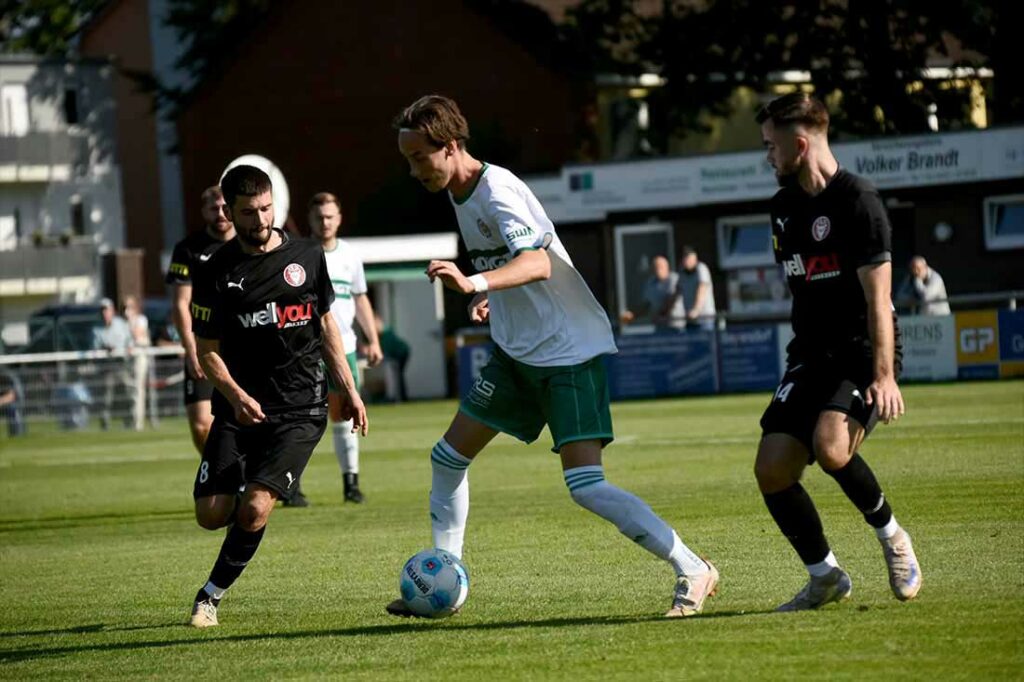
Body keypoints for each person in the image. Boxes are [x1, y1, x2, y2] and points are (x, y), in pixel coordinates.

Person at [386, 94, 717, 619]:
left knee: (585, 486)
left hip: (565, 353)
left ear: (449, 147)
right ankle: (443, 581)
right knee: (447, 458)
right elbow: (515, 263)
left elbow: (537, 262)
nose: (412, 170)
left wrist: (475, 281)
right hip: (518, 353)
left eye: (418, 157)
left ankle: (693, 568)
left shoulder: (495, 191)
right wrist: (496, 294)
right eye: (407, 159)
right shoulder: (458, 189)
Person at [755, 92, 921, 612]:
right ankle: (824, 576)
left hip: (861, 351)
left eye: (771, 147)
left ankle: (893, 537)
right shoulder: (782, 209)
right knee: (772, 470)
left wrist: (883, 376)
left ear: (800, 145)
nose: (768, 158)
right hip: (810, 354)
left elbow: (880, 301)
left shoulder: (859, 203)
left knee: (831, 447)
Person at [186, 165, 367, 628]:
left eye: (266, 208)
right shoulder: (214, 271)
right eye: (249, 211)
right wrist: (235, 394)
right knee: (211, 515)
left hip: (300, 406)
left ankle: (209, 597)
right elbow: (206, 352)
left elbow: (326, 325)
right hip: (238, 406)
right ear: (230, 211)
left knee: (253, 509)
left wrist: (347, 388)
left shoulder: (307, 255)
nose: (261, 219)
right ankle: (246, 495)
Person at [307, 192, 383, 504]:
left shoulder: (350, 255)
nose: (324, 222)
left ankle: (350, 483)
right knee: (302, 418)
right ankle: (290, 485)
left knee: (345, 414)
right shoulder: (300, 254)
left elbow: (360, 296)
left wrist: (372, 338)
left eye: (329, 216)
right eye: (319, 217)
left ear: (339, 219)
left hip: (346, 349)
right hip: (307, 350)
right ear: (310, 219)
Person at [166, 186, 237, 454]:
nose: (220, 214)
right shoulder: (187, 249)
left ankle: (252, 481)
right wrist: (190, 348)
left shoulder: (247, 244)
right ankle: (220, 477)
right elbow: (180, 303)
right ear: (203, 211)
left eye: (224, 208)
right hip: (205, 344)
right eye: (213, 208)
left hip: (243, 341)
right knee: (201, 425)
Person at [92, 298, 135, 430]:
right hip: (107, 368)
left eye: (107, 310)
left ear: (112, 311)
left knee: (128, 393)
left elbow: (130, 341)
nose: (105, 313)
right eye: (102, 311)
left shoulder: (121, 324)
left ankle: (129, 422)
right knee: (106, 398)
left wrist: (129, 349)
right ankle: (105, 424)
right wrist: (105, 349)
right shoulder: (96, 330)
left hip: (122, 365)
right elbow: (94, 349)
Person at [620, 255, 684, 330]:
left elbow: (671, 299)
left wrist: (661, 315)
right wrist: (633, 315)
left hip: (675, 325)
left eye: (660, 266)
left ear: (667, 267)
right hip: (659, 326)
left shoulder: (674, 279)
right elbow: (647, 304)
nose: (658, 269)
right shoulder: (650, 283)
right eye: (655, 267)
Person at [122, 294, 151, 430]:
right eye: (125, 307)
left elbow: (137, 335)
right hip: (127, 359)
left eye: (129, 307)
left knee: (138, 390)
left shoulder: (140, 319)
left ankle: (138, 422)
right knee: (129, 389)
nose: (126, 310)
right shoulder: (123, 322)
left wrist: (130, 321)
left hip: (139, 357)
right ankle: (129, 419)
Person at [675, 246, 716, 330]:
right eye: (684, 258)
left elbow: (702, 289)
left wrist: (696, 310)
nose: (686, 260)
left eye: (688, 257)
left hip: (704, 319)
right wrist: (665, 313)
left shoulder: (701, 269)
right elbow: (677, 292)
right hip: (690, 319)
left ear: (695, 258)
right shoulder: (682, 273)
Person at [375, 313, 410, 402]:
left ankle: (400, 398)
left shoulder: (386, 333)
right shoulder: (382, 335)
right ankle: (399, 397)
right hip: (397, 355)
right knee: (398, 376)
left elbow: (388, 350)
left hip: (401, 353)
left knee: (398, 376)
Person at [0, 367, 26, 437]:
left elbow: (12, 396)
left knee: (12, 407)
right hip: (4, 401)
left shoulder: (5, 376)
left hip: (13, 401)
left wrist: (1, 401)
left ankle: (18, 433)